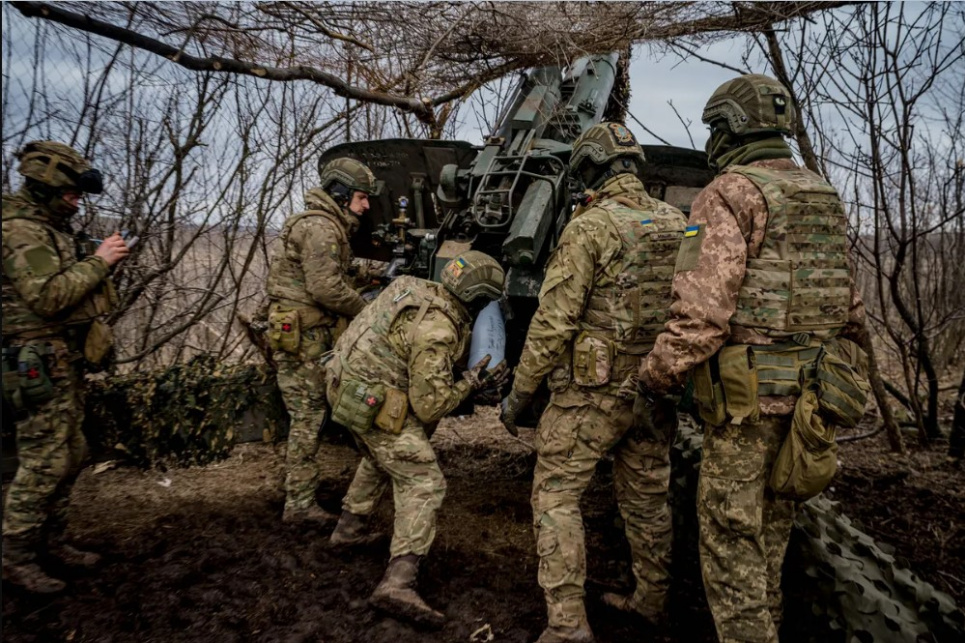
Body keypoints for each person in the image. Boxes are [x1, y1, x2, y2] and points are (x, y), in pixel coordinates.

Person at [637, 74, 867, 643]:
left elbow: (701, 317)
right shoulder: (821, 192)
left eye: (713, 128)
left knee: (729, 540)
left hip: (747, 409)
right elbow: (851, 309)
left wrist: (656, 374)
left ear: (731, 129)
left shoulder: (727, 194)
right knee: (771, 535)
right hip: (811, 402)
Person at [501, 122, 687, 643]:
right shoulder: (677, 221)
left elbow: (553, 321)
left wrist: (520, 395)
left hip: (591, 395)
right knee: (648, 498)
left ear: (589, 171)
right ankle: (650, 602)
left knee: (556, 497)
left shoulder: (590, 227)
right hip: (654, 390)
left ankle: (566, 625)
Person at [326, 250, 509, 626]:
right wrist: (472, 382)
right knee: (423, 480)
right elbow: (430, 406)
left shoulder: (411, 287)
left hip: (342, 381)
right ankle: (398, 582)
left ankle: (348, 528)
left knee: (386, 452)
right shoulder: (438, 328)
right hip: (370, 398)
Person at [2, 141, 129, 593]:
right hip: (33, 361)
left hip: (59, 358)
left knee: (71, 453)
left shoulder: (48, 228)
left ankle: (50, 542)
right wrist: (99, 262)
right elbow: (47, 296)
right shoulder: (19, 230)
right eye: (71, 192)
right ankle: (15, 555)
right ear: (44, 187)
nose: (77, 200)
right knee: (43, 460)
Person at [265, 157, 377, 525]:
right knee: (308, 417)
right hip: (306, 339)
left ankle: (303, 498)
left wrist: (368, 273)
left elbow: (332, 270)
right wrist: (365, 310)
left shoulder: (320, 225)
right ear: (340, 194)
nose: (366, 206)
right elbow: (326, 288)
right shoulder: (322, 228)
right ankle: (299, 504)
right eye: (361, 198)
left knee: (313, 414)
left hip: (304, 334)